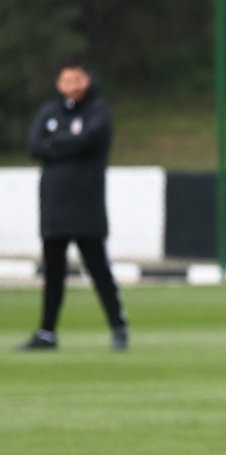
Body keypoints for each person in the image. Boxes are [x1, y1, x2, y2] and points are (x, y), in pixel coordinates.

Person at [17, 58, 128, 352]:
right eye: (66, 81)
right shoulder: (49, 112)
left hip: (86, 207)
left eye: (77, 80)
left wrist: (56, 144)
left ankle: (118, 327)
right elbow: (35, 146)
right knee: (53, 273)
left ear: (87, 80)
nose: (72, 86)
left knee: (98, 270)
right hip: (54, 208)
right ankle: (47, 333)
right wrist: (69, 143)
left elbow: (88, 140)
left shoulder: (98, 112)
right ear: (58, 84)